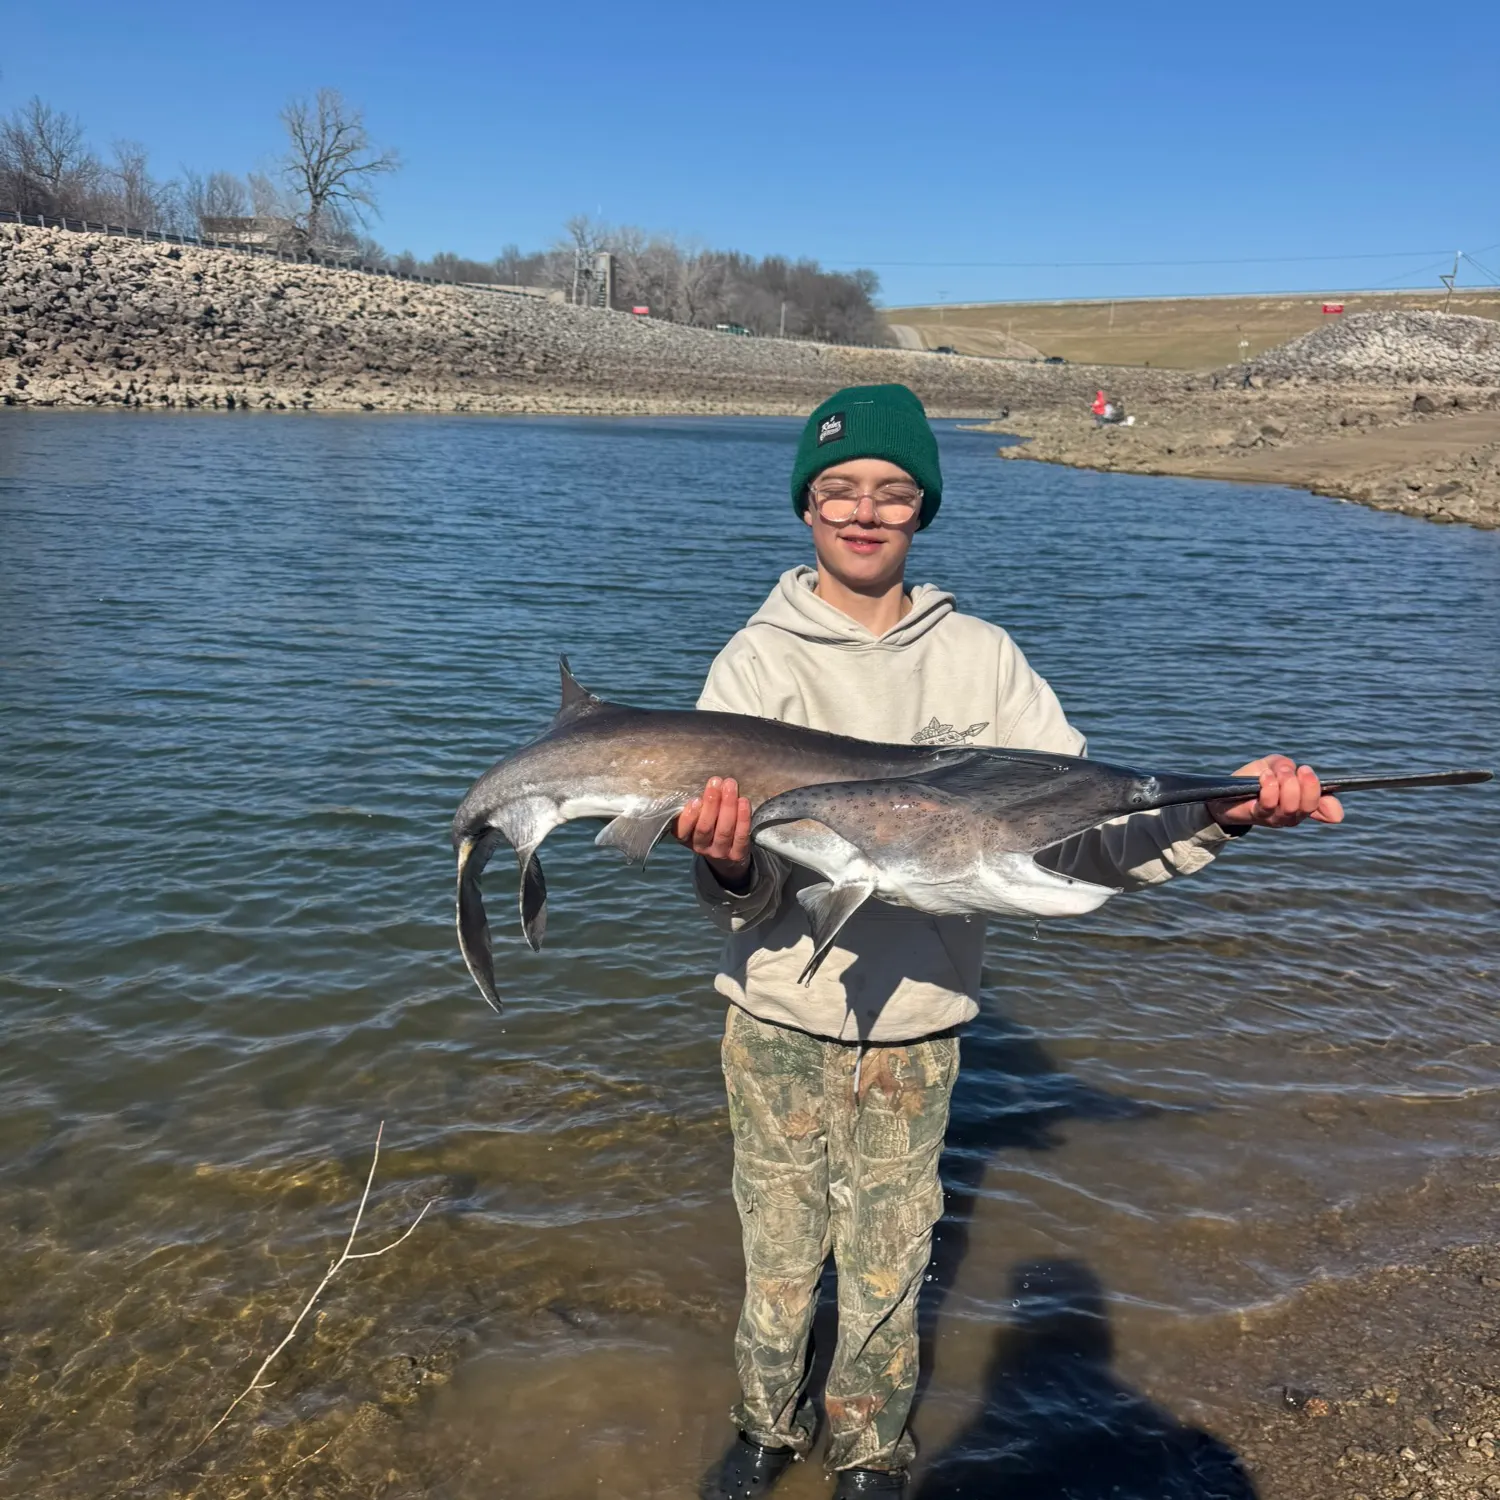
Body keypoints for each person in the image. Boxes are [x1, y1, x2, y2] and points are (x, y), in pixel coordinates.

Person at [677, 383, 1342, 1500]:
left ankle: (872, 1453)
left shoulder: (983, 660)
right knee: (780, 1251)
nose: (864, 511)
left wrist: (1222, 814)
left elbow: (1092, 831)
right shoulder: (753, 667)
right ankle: (762, 1429)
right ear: (805, 508)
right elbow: (736, 901)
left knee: (891, 1256)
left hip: (920, 1027)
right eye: (838, 490)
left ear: (923, 510)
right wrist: (728, 860)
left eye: (892, 491)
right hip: (775, 1016)